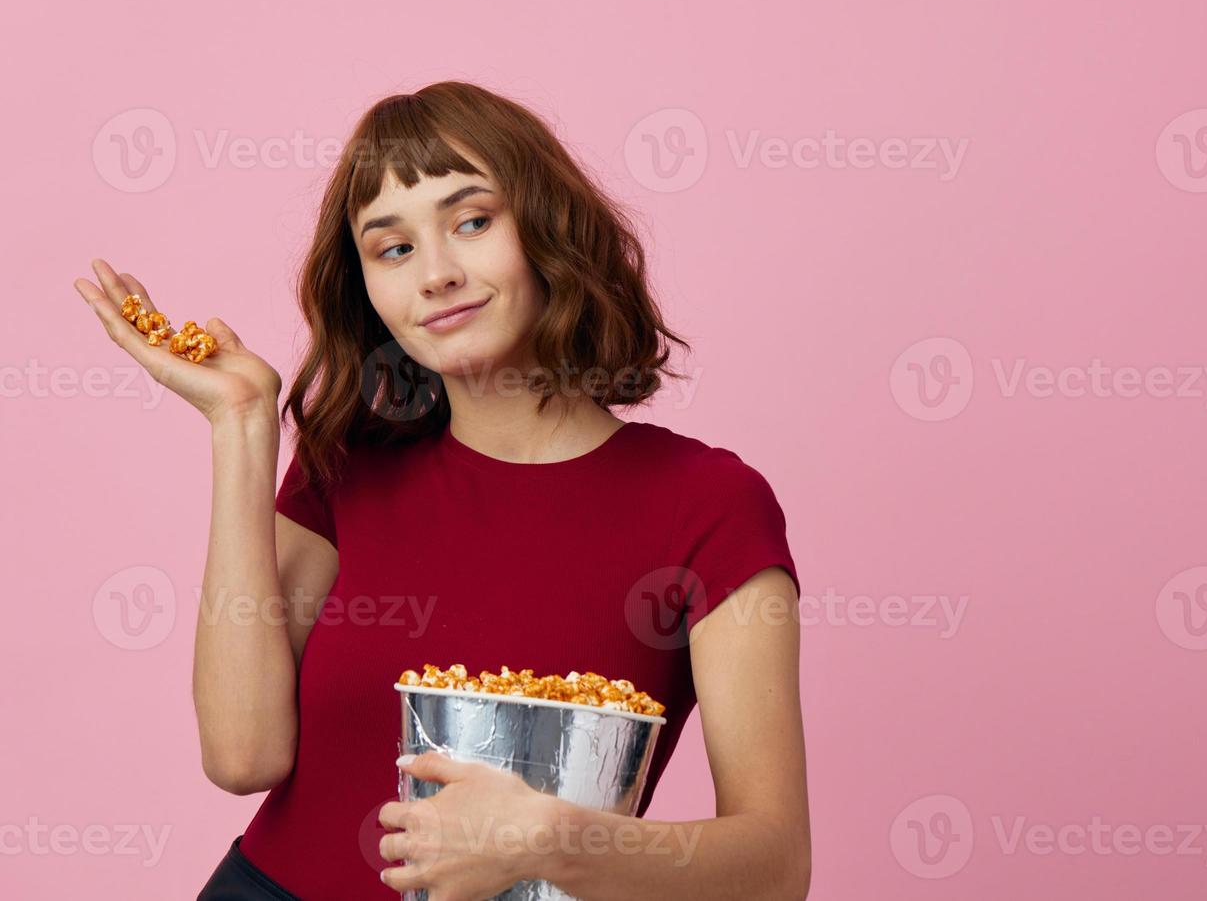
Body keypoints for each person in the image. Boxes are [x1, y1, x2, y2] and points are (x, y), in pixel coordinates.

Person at [73, 81, 811, 900]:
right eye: (393, 249)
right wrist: (242, 427)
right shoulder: (344, 471)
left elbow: (775, 866)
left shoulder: (708, 504)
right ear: (369, 292)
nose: (436, 274)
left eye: (472, 221)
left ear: (548, 227)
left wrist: (551, 840)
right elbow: (243, 758)